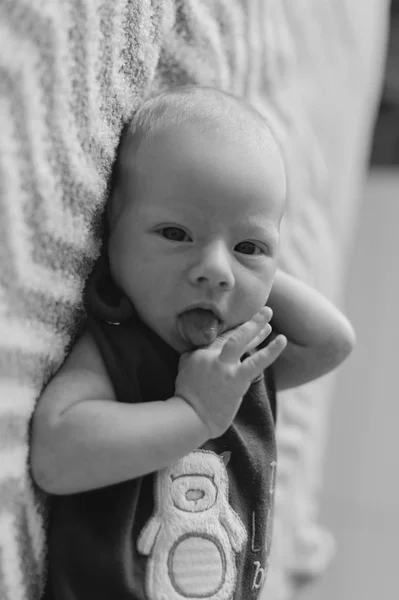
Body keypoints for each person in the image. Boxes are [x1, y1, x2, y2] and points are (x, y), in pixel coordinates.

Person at [30, 86, 355, 600]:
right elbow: (56, 453)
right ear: (111, 233)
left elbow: (334, 341)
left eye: (249, 247)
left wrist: (253, 277)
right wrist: (196, 415)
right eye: (176, 234)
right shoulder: (122, 344)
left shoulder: (242, 357)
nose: (214, 270)